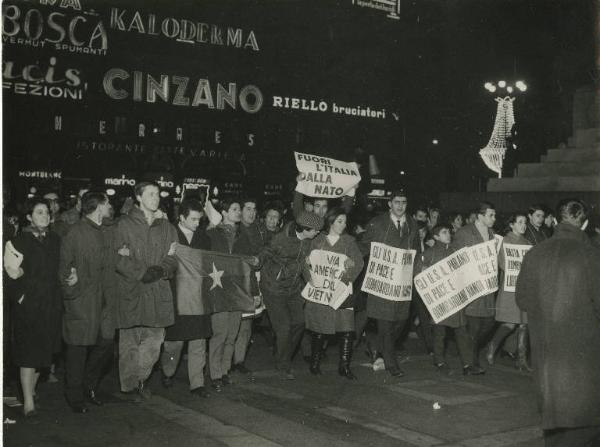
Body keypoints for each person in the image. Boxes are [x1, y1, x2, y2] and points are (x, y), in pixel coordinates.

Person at [516, 199, 600, 446]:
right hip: (583, 361)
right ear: (584, 223)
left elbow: (522, 299)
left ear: (555, 220)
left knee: (555, 429)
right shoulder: (592, 256)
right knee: (585, 427)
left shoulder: (534, 253)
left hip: (547, 359)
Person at [114, 182, 178, 400]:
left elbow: (174, 256)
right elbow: (118, 258)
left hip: (158, 291)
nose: (156, 197)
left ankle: (140, 379)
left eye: (158, 194)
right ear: (138, 197)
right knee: (129, 343)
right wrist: (142, 273)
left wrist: (161, 269)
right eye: (150, 194)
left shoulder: (167, 227)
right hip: (133, 290)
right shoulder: (123, 224)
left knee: (154, 344)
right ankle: (129, 387)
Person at [3, 197, 62, 416]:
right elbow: (9, 274)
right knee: (28, 352)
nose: (44, 216)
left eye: (46, 212)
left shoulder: (56, 239)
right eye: (39, 212)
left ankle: (32, 390)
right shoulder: (19, 241)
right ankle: (28, 401)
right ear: (29, 216)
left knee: (43, 353)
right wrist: (21, 294)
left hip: (51, 305)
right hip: (28, 306)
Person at [59, 191, 114, 413]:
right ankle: (74, 395)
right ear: (99, 206)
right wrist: (73, 289)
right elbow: (63, 269)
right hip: (82, 301)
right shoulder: (75, 233)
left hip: (104, 300)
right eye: (107, 202)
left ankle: (89, 386)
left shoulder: (108, 230)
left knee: (106, 343)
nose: (111, 205)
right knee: (78, 349)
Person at [360, 190, 420, 377]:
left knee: (401, 322)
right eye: (396, 202)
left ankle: (375, 346)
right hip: (383, 282)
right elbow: (364, 247)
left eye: (403, 202)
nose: (400, 206)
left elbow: (416, 250)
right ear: (389, 204)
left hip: (402, 283)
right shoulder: (377, 223)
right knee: (385, 324)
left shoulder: (412, 223)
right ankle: (391, 363)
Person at [303, 208, 364, 380]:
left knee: (346, 330)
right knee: (319, 329)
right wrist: (310, 276)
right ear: (330, 222)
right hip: (321, 292)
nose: (343, 225)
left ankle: (344, 366)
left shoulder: (349, 242)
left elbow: (358, 263)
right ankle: (314, 363)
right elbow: (305, 262)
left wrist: (348, 274)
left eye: (345, 222)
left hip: (342, 293)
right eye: (339, 221)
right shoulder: (317, 241)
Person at [260, 210, 323, 379]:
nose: (318, 233)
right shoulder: (280, 240)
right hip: (274, 289)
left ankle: (282, 355)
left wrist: (310, 279)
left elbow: (302, 262)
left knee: (299, 323)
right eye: (315, 230)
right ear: (305, 229)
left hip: (293, 288)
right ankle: (283, 365)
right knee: (284, 328)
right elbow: (263, 255)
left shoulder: (308, 240)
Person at [160, 198, 212, 398]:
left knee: (199, 340)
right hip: (176, 295)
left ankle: (197, 383)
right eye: (193, 219)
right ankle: (168, 371)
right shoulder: (169, 235)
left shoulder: (204, 239)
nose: (197, 224)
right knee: (175, 341)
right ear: (181, 217)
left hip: (198, 296)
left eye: (200, 220)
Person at [416, 224, 478, 374]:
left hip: (455, 298)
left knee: (461, 332)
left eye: (448, 232)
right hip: (440, 300)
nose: (448, 234)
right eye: (444, 232)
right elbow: (418, 275)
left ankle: (468, 365)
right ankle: (439, 361)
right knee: (440, 333)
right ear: (436, 237)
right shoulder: (428, 254)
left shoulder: (455, 252)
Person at [206, 198, 251, 391]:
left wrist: (253, 292)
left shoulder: (244, 236)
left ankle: (225, 371)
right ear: (223, 212)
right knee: (220, 333)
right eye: (234, 208)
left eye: (239, 208)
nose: (239, 211)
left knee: (232, 334)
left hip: (237, 290)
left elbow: (248, 265)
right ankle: (215, 373)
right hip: (217, 290)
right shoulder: (211, 234)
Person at [452, 201, 497, 372]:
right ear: (480, 216)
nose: (494, 218)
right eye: (490, 215)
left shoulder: (492, 234)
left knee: (488, 322)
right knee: (474, 326)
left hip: (487, 288)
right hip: (471, 287)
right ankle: (470, 363)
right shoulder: (465, 232)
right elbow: (455, 257)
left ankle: (471, 358)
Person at [485, 213, 532, 371]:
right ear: (511, 225)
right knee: (510, 323)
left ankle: (521, 359)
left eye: (525, 222)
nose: (523, 225)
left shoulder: (527, 243)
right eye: (520, 222)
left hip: (524, 287)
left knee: (524, 324)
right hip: (510, 288)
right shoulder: (504, 241)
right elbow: (504, 265)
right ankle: (492, 346)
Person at [231, 197, 265, 375]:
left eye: (254, 209)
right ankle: (227, 361)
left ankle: (239, 360)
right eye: (248, 209)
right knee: (233, 323)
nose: (252, 213)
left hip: (252, 280)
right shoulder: (235, 230)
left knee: (247, 323)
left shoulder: (258, 230)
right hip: (237, 282)